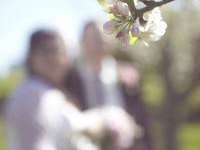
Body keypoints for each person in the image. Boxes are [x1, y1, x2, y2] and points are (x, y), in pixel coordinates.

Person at [6, 29, 136, 150]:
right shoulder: (32, 94)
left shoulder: (46, 93)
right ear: (31, 57)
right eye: (47, 51)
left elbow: (78, 124)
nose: (55, 58)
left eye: (60, 51)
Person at [65, 21, 152, 150]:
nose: (101, 41)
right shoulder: (70, 79)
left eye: (106, 35)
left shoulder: (128, 73)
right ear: (82, 43)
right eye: (95, 37)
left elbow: (142, 117)